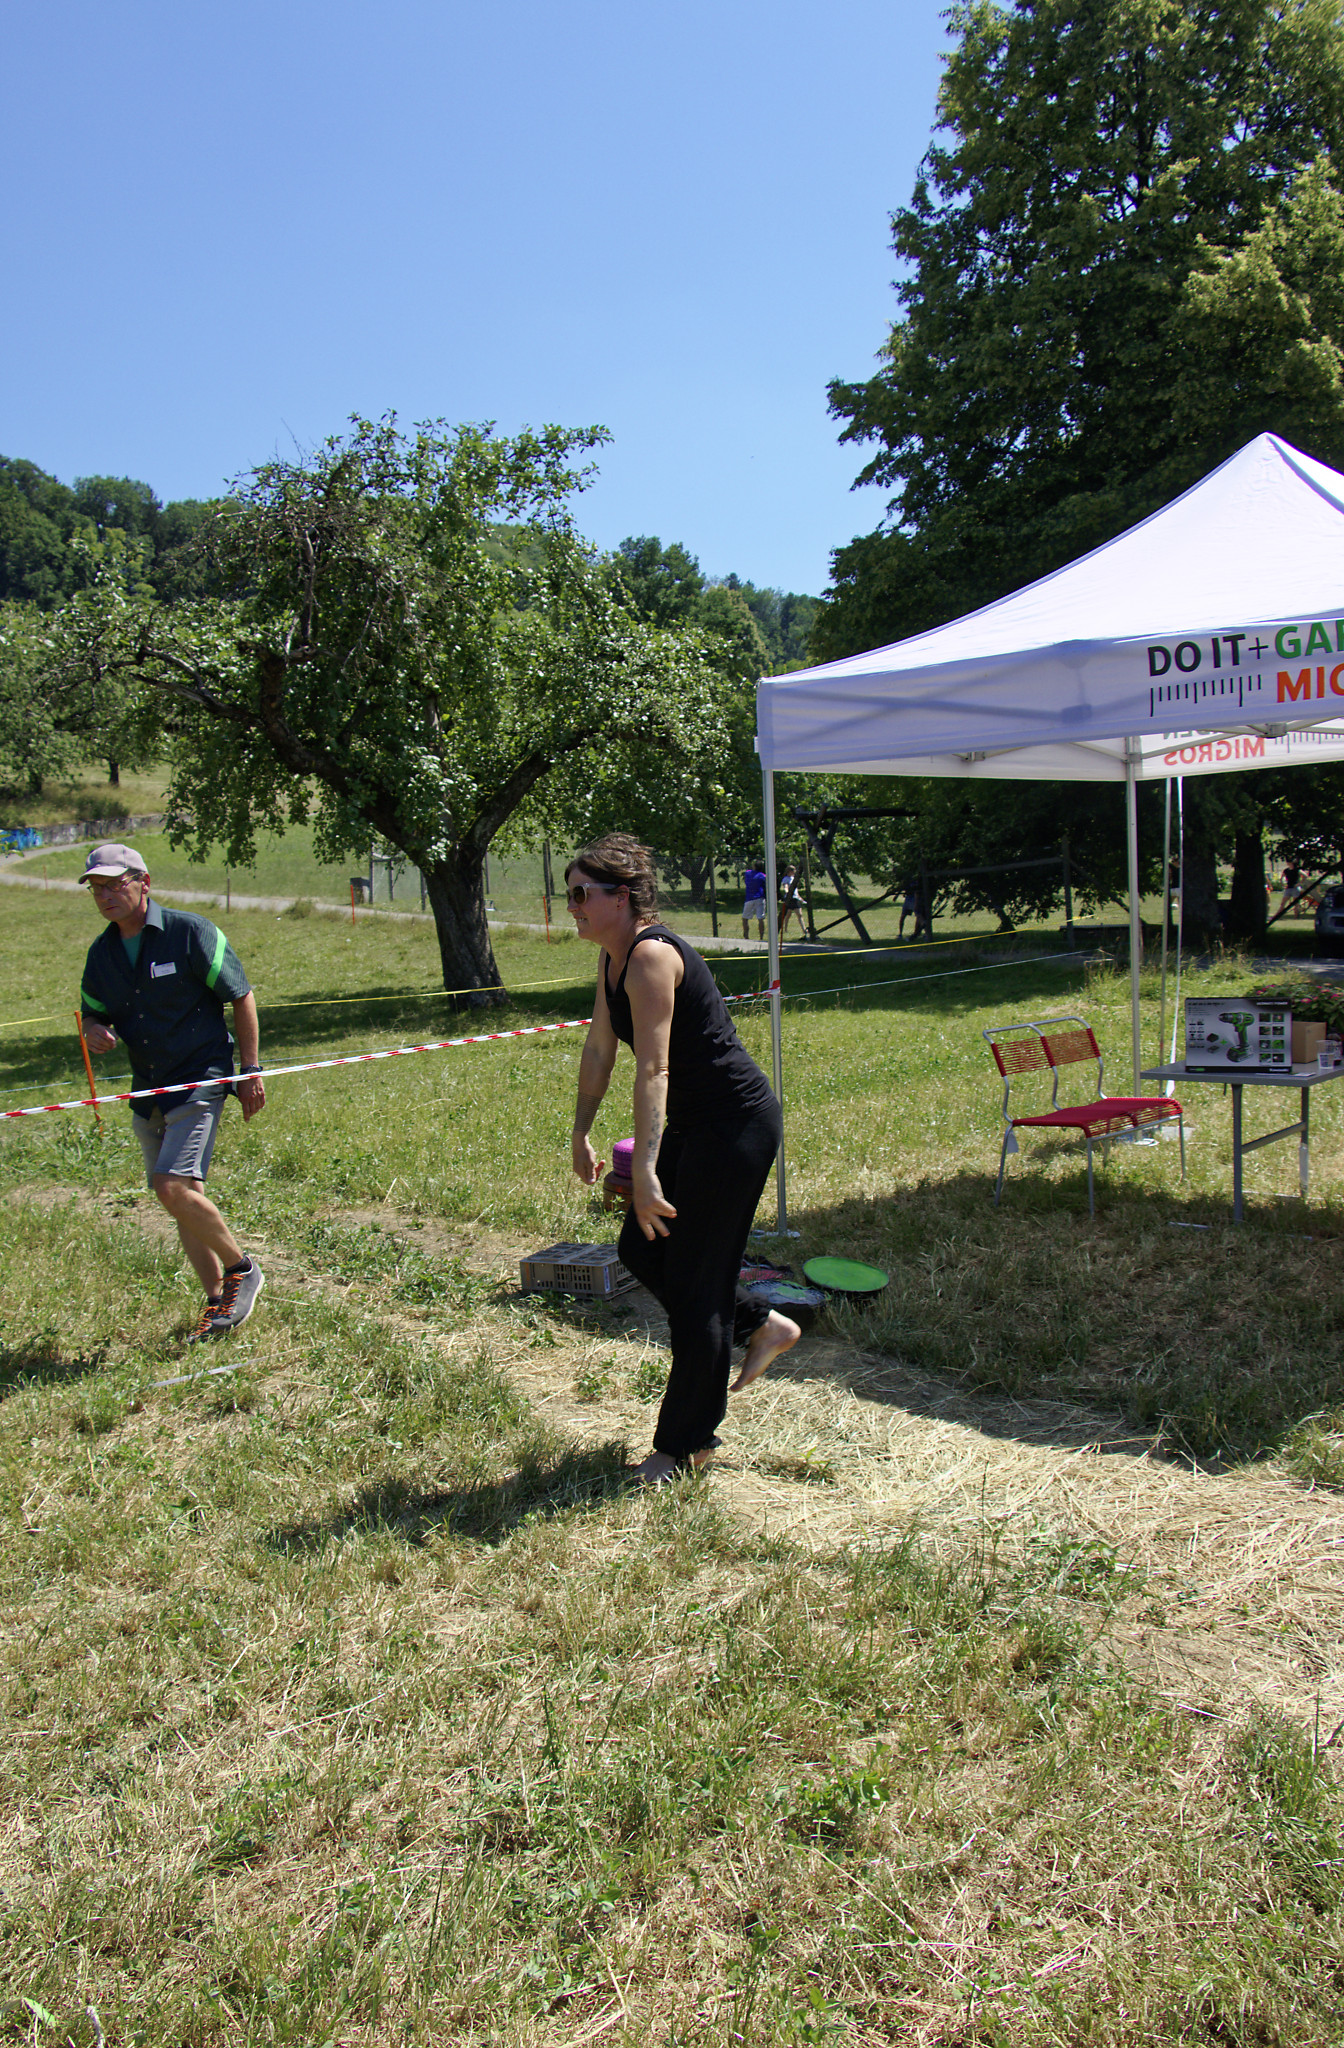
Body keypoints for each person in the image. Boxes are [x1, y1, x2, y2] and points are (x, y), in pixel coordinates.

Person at [567, 835, 799, 1484]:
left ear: (622, 896)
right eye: (569, 893)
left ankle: (683, 1446)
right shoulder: (613, 959)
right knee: (645, 1250)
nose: (573, 905)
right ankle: (760, 1322)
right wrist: (580, 1131)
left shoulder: (650, 956)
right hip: (698, 1127)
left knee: (697, 1286)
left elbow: (655, 1069)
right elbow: (599, 1050)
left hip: (736, 1126)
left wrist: (644, 1171)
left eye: (582, 893)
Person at [78, 842, 266, 1343]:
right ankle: (218, 1302)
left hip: (199, 1079)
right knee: (184, 1200)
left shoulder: (190, 932)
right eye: (96, 888)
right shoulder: (102, 954)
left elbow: (241, 995)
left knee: (171, 1187)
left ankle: (242, 1269)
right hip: (148, 1090)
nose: (105, 895)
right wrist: (93, 1031)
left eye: (115, 884)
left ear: (144, 882)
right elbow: (93, 1011)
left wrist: (250, 1070)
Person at [741, 859, 768, 940]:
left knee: (745, 918)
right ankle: (761, 937)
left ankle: (746, 936)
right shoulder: (763, 876)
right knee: (760, 918)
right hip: (760, 897)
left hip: (749, 898)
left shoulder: (748, 873)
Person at [778, 864, 803, 938]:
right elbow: (785, 886)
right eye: (793, 871)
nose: (794, 872)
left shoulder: (793, 878)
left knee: (799, 914)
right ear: (789, 871)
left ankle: (803, 929)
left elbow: (795, 890)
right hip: (790, 898)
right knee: (788, 915)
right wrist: (787, 891)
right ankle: (785, 929)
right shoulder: (786, 879)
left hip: (795, 897)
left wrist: (799, 897)